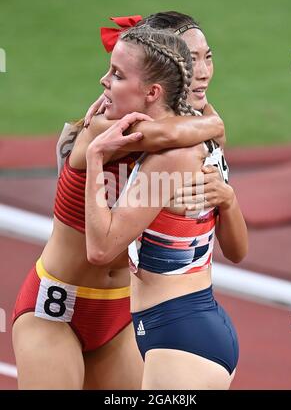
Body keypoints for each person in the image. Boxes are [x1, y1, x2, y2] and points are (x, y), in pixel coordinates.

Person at [11, 14, 228, 390]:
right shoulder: (105, 126)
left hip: (122, 313)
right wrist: (215, 125)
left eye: (206, 59)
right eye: (191, 60)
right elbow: (158, 133)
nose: (202, 72)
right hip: (56, 307)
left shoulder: (185, 139)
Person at [85, 25, 248, 390]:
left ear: (153, 89)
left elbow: (100, 249)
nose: (104, 80)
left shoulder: (172, 155)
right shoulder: (191, 134)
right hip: (182, 327)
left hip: (181, 337)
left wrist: (97, 156)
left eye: (117, 74)